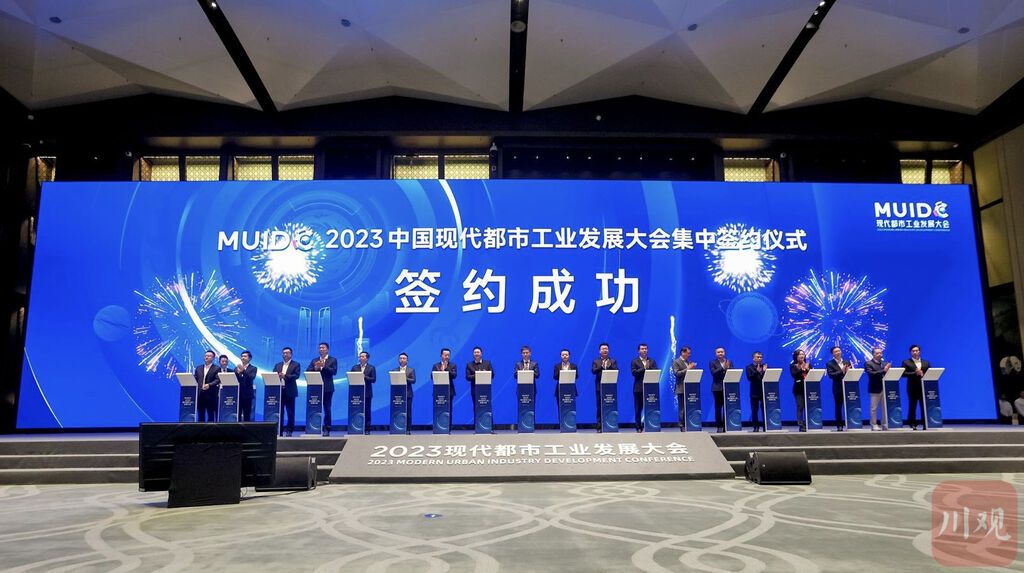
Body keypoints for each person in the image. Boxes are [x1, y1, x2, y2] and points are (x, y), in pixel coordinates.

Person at [308, 342, 338, 436]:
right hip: (315, 388)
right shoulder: (314, 360)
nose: (321, 349)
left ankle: (327, 428)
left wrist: (323, 366)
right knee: (314, 408)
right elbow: (308, 371)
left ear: (327, 349)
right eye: (320, 348)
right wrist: (315, 367)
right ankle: (314, 427)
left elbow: (334, 372)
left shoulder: (332, 360)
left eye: (323, 348)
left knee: (327, 408)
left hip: (328, 388)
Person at [901, 344, 930, 430]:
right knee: (912, 406)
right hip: (912, 387)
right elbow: (903, 374)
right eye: (913, 351)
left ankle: (925, 423)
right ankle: (912, 423)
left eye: (917, 350)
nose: (915, 352)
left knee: (924, 406)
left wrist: (923, 374)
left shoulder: (926, 362)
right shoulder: (906, 362)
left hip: (923, 387)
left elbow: (930, 372)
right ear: (910, 352)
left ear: (919, 352)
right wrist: (915, 373)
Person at [273, 347, 301, 436]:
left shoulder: (296, 364)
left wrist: (285, 376)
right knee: (279, 412)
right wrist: (278, 376)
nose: (285, 354)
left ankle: (289, 430)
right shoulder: (278, 365)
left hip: (290, 391)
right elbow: (273, 375)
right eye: (284, 353)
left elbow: (296, 376)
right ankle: (279, 430)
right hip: (279, 391)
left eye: (287, 353)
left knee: (290, 412)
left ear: (291, 354)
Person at [590, 343, 617, 432]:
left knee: (611, 406)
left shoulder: (613, 361)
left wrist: (609, 366)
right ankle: (599, 427)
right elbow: (593, 371)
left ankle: (611, 425)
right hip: (599, 387)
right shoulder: (596, 361)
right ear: (599, 351)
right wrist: (601, 366)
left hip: (610, 387)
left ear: (608, 350)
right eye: (603, 349)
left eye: (606, 349)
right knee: (599, 407)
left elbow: (616, 371)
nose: (605, 350)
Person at [630, 343, 657, 433]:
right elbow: (634, 372)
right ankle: (638, 427)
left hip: (650, 388)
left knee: (651, 407)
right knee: (638, 409)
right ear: (638, 351)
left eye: (645, 349)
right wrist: (644, 368)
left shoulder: (652, 361)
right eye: (642, 349)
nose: (644, 350)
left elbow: (656, 371)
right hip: (638, 388)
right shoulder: (635, 361)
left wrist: (649, 369)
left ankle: (650, 425)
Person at [863, 347, 890, 431]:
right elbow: (871, 374)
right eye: (877, 353)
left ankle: (885, 424)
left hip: (885, 388)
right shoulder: (868, 363)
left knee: (884, 408)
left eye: (880, 353)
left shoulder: (885, 363)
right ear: (873, 354)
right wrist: (883, 370)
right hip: (874, 388)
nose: (879, 354)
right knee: (873, 408)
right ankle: (874, 424)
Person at [826, 346, 851, 431]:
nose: (838, 352)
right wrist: (841, 371)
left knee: (850, 406)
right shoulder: (830, 363)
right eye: (836, 351)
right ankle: (839, 425)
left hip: (848, 387)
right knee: (838, 407)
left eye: (839, 351)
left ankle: (851, 423)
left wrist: (849, 371)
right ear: (832, 354)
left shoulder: (846, 362)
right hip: (838, 388)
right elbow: (831, 375)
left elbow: (850, 373)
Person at [350, 351, 377, 433]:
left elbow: (373, 380)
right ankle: (356, 427)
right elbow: (351, 378)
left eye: (362, 356)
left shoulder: (371, 368)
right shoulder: (354, 367)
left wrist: (364, 377)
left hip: (367, 392)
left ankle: (367, 428)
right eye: (360, 356)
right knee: (356, 410)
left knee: (367, 411)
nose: (361, 358)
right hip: (356, 393)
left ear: (367, 358)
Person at [672, 346, 696, 432]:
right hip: (681, 388)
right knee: (682, 408)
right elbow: (677, 373)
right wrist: (688, 368)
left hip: (689, 388)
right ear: (683, 352)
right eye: (688, 353)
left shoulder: (688, 362)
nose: (690, 355)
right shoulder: (676, 361)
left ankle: (689, 423)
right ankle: (681, 425)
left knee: (689, 407)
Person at [709, 347, 732, 432]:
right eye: (718, 352)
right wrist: (723, 367)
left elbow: (732, 373)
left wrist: (728, 368)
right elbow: (713, 373)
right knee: (718, 408)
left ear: (724, 353)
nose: (720, 353)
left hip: (727, 388)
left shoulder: (729, 362)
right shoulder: (712, 362)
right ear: (716, 354)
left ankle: (727, 425)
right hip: (717, 388)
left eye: (722, 352)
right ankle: (719, 426)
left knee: (727, 407)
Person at [432, 348, 458, 425]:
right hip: (438, 391)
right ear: (441, 355)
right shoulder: (436, 365)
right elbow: (432, 377)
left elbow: (454, 376)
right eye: (445, 355)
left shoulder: (453, 365)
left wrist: (446, 369)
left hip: (449, 391)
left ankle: (448, 427)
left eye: (448, 355)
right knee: (438, 409)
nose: (447, 357)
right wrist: (441, 371)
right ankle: (438, 426)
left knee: (449, 410)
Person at [194, 350, 220, 422]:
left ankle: (211, 429)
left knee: (211, 414)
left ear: (213, 358)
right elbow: (195, 379)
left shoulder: (217, 368)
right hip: (200, 395)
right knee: (200, 415)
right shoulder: (198, 368)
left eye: (209, 356)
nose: (206, 357)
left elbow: (218, 380)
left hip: (211, 395)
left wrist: (209, 385)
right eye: (205, 356)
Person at [746, 351, 767, 432]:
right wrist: (757, 371)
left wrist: (764, 371)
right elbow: (750, 378)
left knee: (764, 409)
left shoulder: (764, 366)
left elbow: (768, 377)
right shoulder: (749, 367)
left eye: (761, 357)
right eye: (758, 357)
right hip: (754, 391)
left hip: (764, 391)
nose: (759, 358)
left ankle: (766, 426)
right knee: (754, 410)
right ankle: (756, 426)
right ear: (753, 358)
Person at [790, 349, 810, 432]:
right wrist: (802, 369)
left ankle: (808, 423)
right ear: (796, 356)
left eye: (803, 354)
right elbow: (794, 375)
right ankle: (801, 425)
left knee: (808, 406)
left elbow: (812, 375)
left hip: (808, 388)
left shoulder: (808, 364)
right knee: (800, 406)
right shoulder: (793, 365)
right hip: (798, 389)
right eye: (800, 354)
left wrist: (808, 369)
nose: (802, 356)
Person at [235, 350, 257, 422]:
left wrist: (243, 371)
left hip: (247, 395)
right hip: (238, 394)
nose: (243, 358)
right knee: (237, 414)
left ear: (249, 358)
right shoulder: (236, 368)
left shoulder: (253, 368)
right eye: (242, 356)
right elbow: (234, 379)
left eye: (245, 356)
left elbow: (251, 378)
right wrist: (237, 373)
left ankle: (246, 428)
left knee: (247, 415)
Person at [396, 352, 415, 434]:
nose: (402, 360)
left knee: (408, 412)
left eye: (404, 358)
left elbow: (413, 380)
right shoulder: (394, 370)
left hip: (408, 394)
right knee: (397, 412)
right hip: (397, 395)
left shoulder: (411, 370)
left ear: (407, 360)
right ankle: (397, 428)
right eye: (401, 358)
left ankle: (408, 429)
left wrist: (404, 377)